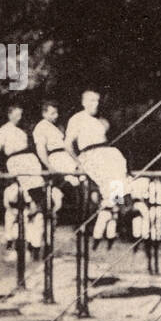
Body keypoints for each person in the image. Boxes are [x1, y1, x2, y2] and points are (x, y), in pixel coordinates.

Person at [65, 89, 130, 248]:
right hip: (89, 155)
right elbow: (67, 144)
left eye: (98, 101)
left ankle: (111, 211)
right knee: (108, 178)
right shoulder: (77, 119)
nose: (96, 104)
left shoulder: (101, 121)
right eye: (92, 100)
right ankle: (108, 211)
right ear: (83, 102)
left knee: (119, 167)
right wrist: (78, 163)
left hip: (106, 152)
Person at [129, 175, 161, 270]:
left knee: (148, 233)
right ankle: (153, 263)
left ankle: (151, 261)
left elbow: (143, 196)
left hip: (152, 209)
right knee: (154, 233)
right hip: (158, 209)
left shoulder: (151, 185)